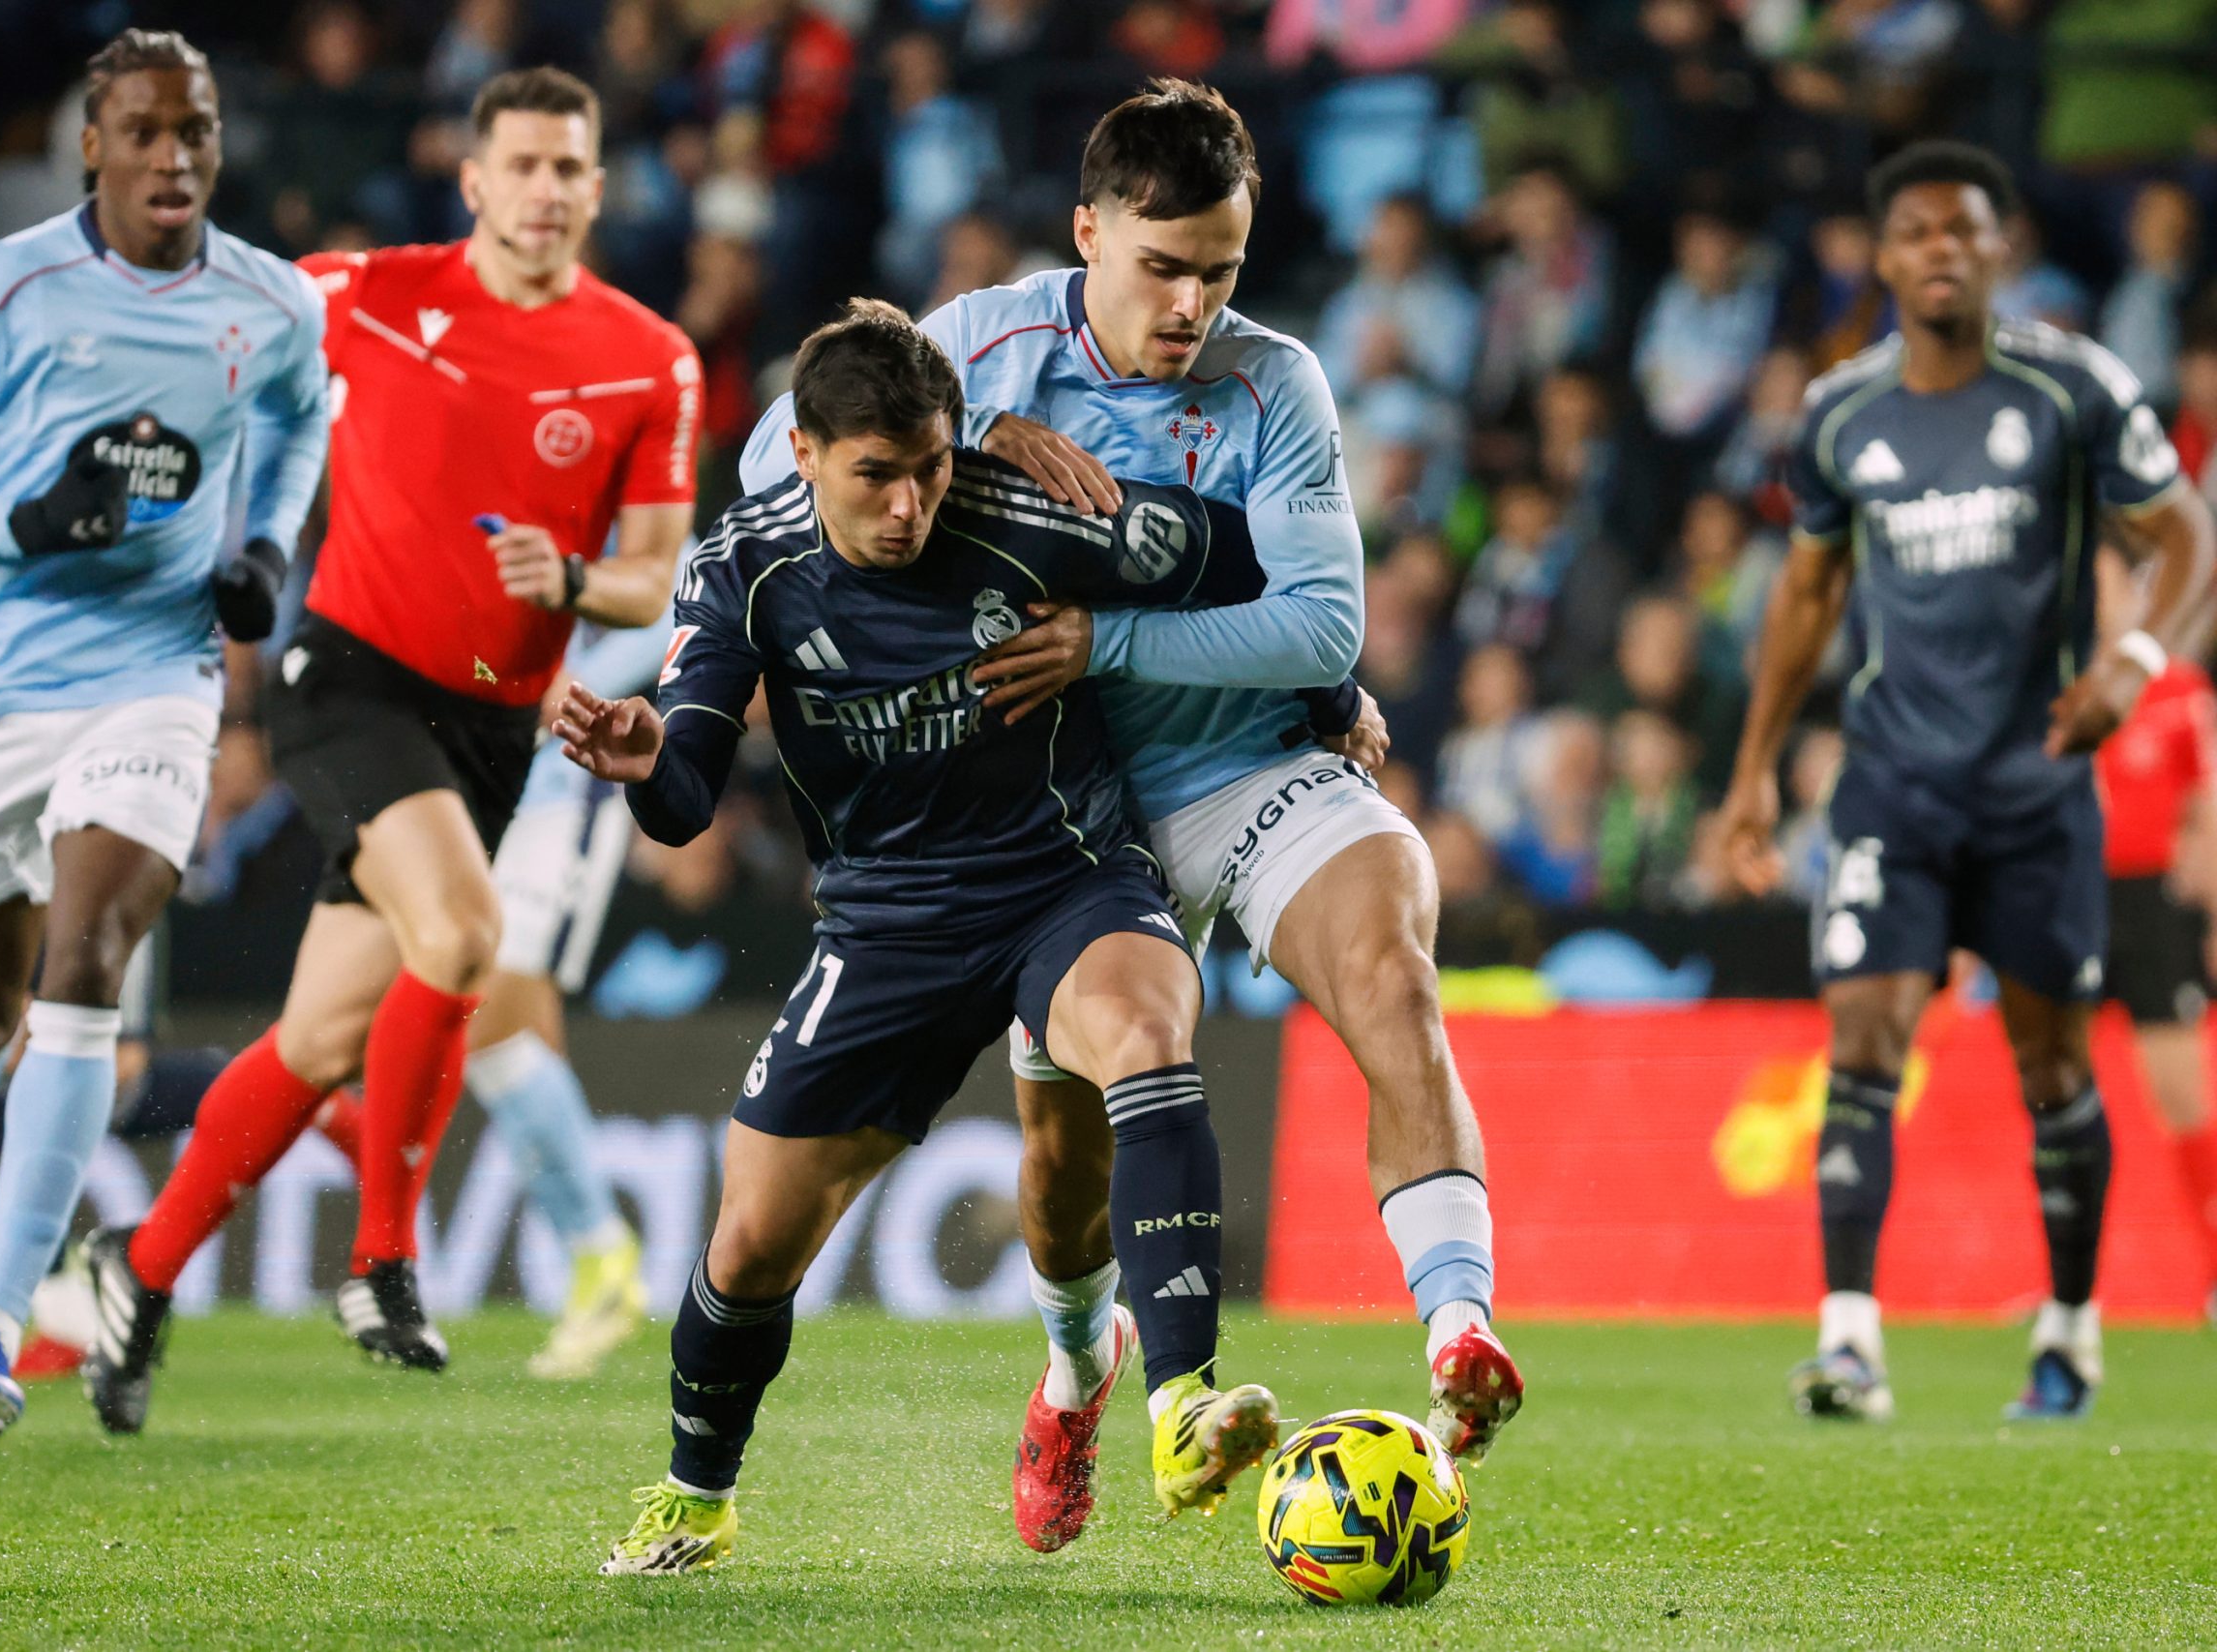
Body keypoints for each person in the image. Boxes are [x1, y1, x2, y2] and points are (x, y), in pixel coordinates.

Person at [741, 80, 1519, 1555]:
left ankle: (1460, 1334)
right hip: (1068, 818)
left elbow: (1322, 624)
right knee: (1062, 1175)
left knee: (1394, 970)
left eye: (1218, 270)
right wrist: (968, 456)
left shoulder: (1278, 381)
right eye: (1161, 267)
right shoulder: (976, 344)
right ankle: (1072, 1366)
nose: (1189, 305)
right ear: (1087, 231)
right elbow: (770, 477)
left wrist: (1106, 638)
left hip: (1244, 767)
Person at [587, 301, 1293, 1576]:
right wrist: (646, 760)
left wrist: (1329, 688)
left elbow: (1256, 562)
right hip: (886, 925)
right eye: (876, 476)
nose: (910, 503)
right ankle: (697, 1492)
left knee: (1143, 1031)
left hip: (1063, 883)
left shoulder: (1032, 513)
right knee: (749, 1241)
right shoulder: (744, 566)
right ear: (800, 453)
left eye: (929, 464)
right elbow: (683, 789)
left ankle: (1182, 1404)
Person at [80, 67, 700, 1434]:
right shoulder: (363, 291)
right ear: (472, 180)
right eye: (521, 165)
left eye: (569, 169)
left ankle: (137, 1268)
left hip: (491, 724)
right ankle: (382, 1257)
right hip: (346, 676)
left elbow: (652, 579)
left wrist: (578, 577)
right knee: (470, 931)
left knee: (314, 1038)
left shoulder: (649, 354)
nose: (546, 191)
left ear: (598, 190)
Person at [0, 28, 330, 1434]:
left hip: (159, 672)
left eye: (196, 131)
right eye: (144, 131)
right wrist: (13, 520)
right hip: (2, 677)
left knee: (89, 960)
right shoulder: (1, 285)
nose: (173, 156)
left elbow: (302, 421)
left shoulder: (272, 303)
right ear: (93, 145)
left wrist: (262, 545)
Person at [1720, 140, 2217, 1424]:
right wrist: (1753, 772)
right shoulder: (1842, 413)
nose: (1943, 248)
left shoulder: (2072, 388)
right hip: (1895, 784)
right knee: (1865, 1037)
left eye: (1966, 229)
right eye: (1918, 231)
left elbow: (2187, 536)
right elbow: (1809, 593)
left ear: (2003, 249)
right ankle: (1848, 1340)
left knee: (2053, 1068)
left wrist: (2135, 662)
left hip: (2038, 784)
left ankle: (2069, 1328)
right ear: (1884, 257)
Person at [469, 567, 686, 1379]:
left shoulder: (642, 526)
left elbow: (675, 615)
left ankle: (599, 1248)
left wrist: (555, 688)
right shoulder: (511, 511)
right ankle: (594, 1262)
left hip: (566, 786)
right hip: (497, 784)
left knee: (487, 1022)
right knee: (511, 1034)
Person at [2090, 549, 2217, 1323]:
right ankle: (2070, 1288)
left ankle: (2211, 1272)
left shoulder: (2179, 691)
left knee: (2182, 1096)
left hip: (2150, 902)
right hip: (2065, 896)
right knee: (2053, 1087)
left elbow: (2204, 814)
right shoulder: (2053, 688)